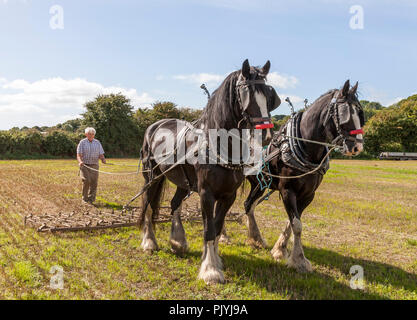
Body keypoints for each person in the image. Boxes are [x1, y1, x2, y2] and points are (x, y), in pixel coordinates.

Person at [76, 127, 106, 204]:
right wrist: (80, 162)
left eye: (92, 134)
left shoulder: (97, 142)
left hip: (95, 165)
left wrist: (103, 159)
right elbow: (79, 155)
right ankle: (84, 199)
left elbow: (101, 154)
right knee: (87, 180)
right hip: (85, 165)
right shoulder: (82, 142)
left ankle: (91, 199)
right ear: (86, 134)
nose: (91, 135)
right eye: (89, 134)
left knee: (94, 182)